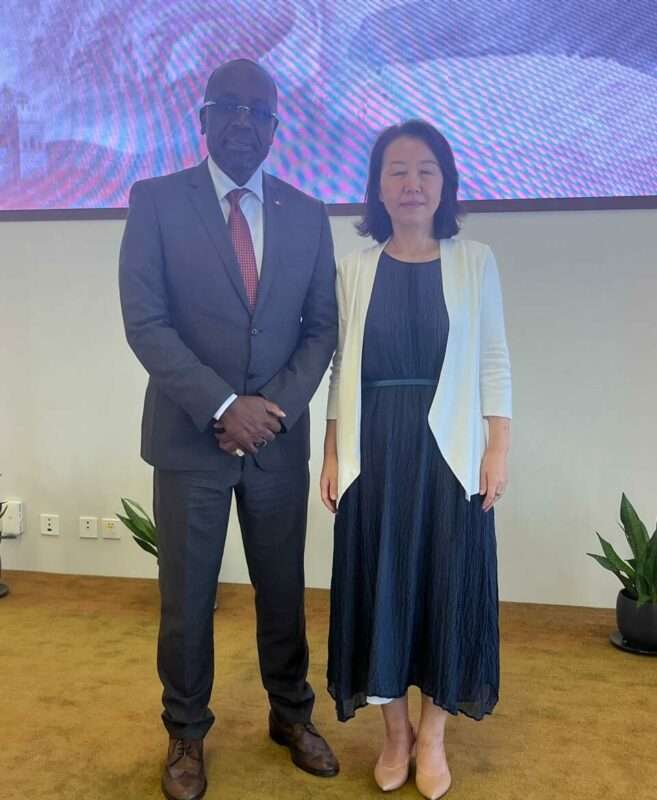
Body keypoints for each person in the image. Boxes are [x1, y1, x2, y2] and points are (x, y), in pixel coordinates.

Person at [119, 59, 339, 800]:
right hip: (190, 442)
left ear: (276, 127)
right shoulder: (155, 201)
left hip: (275, 439)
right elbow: (146, 322)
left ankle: (291, 714)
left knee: (283, 588)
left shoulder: (307, 214)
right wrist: (222, 406)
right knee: (186, 597)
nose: (244, 121)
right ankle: (186, 733)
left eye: (259, 111)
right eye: (229, 107)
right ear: (203, 119)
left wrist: (268, 410)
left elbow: (320, 328)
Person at [320, 119, 512, 799]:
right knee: (380, 586)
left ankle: (432, 737)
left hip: (450, 452)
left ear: (444, 183)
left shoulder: (475, 260)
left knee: (444, 585)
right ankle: (394, 734)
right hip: (373, 452)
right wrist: (330, 452)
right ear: (378, 186)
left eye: (425, 169)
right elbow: (340, 368)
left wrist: (497, 447)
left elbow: (493, 359)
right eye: (397, 170)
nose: (411, 183)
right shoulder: (354, 269)